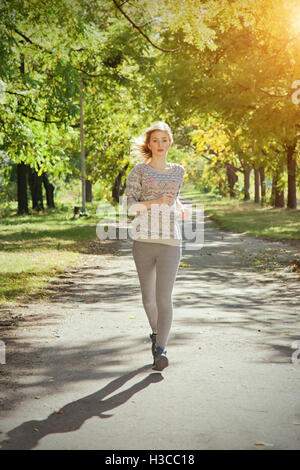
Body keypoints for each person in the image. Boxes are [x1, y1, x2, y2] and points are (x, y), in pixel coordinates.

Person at [123, 121, 189, 371]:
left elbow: (175, 194)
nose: (160, 145)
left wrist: (179, 207)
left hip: (170, 240)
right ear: (148, 145)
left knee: (164, 297)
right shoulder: (138, 171)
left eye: (164, 140)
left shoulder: (179, 171)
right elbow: (129, 207)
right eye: (155, 140)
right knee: (148, 299)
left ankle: (161, 349)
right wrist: (157, 201)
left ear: (170, 142)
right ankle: (155, 334)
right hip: (143, 241)